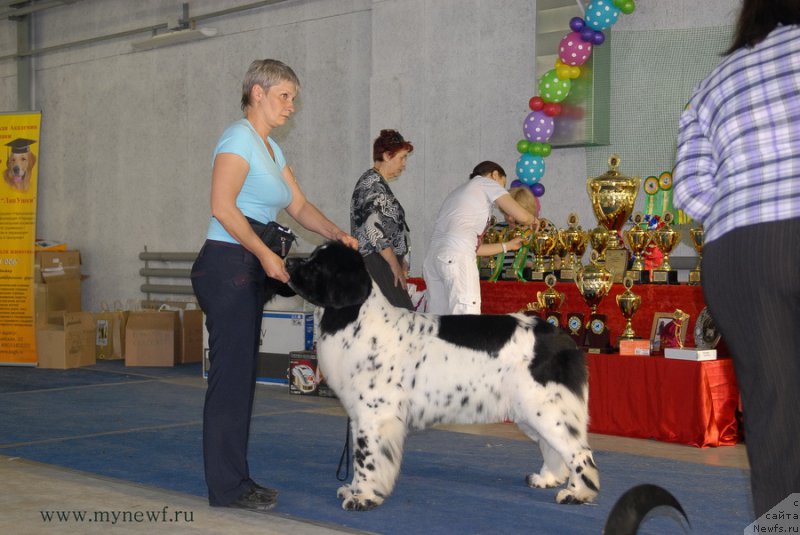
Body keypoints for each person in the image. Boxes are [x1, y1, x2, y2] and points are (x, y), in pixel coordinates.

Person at [191, 59, 357, 513]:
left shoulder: (270, 149)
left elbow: (299, 206)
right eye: (285, 96)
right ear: (257, 93)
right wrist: (265, 254)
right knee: (230, 382)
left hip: (246, 263)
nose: (291, 106)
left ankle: (236, 480)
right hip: (228, 263)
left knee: (241, 381)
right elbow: (223, 207)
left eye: (293, 99)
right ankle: (226, 488)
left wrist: (336, 233)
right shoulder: (237, 138)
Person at [672, 0, 800, 518]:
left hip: (742, 252)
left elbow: (691, 191)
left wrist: (745, 202)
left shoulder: (717, 79)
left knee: (774, 411)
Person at [423, 161, 539, 315]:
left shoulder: (460, 192)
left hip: (435, 260)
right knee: (467, 317)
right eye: (502, 185)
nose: (501, 191)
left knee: (438, 320)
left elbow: (475, 249)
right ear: (495, 175)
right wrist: (533, 220)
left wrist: (507, 246)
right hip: (456, 257)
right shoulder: (485, 183)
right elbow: (522, 216)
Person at [350, 129, 415, 309]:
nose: (404, 164)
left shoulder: (376, 183)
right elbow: (373, 229)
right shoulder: (372, 184)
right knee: (401, 319)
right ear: (387, 155)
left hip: (383, 261)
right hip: (379, 262)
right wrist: (394, 263)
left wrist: (401, 260)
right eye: (402, 158)